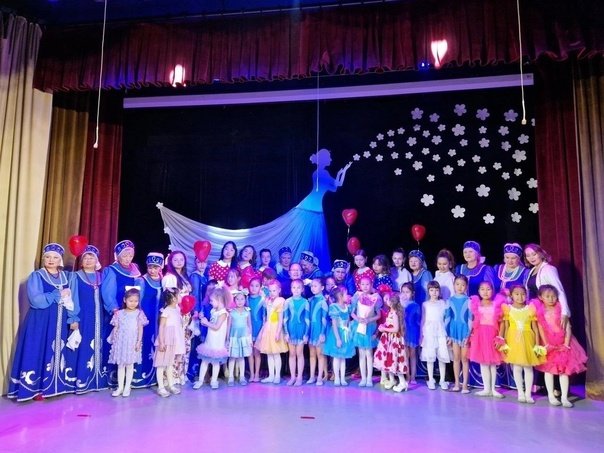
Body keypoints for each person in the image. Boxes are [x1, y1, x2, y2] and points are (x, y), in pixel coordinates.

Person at [8, 243, 78, 401]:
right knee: (38, 350)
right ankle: (34, 389)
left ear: (60, 260)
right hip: (40, 321)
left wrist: (73, 318)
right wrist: (57, 294)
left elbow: (72, 300)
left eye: (55, 257)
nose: (51, 260)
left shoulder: (66, 277)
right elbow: (36, 300)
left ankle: (54, 386)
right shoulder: (37, 276)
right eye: (47, 257)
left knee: (56, 351)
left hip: (59, 322)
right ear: (43, 259)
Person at [535, 285, 587, 408]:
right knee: (549, 370)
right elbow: (540, 328)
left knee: (564, 371)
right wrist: (546, 343)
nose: (551, 299)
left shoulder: (561, 309)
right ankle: (551, 396)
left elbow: (568, 327)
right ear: (541, 297)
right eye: (547, 296)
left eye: (553, 296)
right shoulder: (540, 311)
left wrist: (566, 344)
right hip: (549, 344)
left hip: (563, 343)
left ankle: (564, 397)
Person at [101, 240, 142, 385]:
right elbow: (108, 293)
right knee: (115, 342)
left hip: (132, 313)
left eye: (130, 255)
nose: (128, 258)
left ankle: (128, 379)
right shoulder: (111, 270)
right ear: (118, 256)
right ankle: (111, 378)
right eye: (124, 255)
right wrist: (114, 310)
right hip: (118, 313)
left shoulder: (135, 271)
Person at [70, 244, 109, 394]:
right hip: (84, 317)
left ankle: (98, 380)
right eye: (85, 258)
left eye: (91, 258)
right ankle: (82, 381)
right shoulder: (76, 276)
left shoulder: (102, 276)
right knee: (84, 346)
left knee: (100, 345)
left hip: (100, 317)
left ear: (96, 260)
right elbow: (73, 298)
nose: (88, 260)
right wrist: (74, 317)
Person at [501, 285, 544, 404]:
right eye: (517, 294)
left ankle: (528, 394)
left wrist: (537, 344)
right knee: (517, 367)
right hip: (513, 340)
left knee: (528, 367)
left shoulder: (530, 309)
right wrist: (504, 342)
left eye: (523, 294)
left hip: (528, 340)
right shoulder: (508, 309)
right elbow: (506, 327)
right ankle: (520, 392)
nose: (520, 297)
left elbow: (535, 328)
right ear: (511, 295)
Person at [108, 287, 149, 397]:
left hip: (132, 343)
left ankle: (127, 387)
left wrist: (138, 341)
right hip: (121, 342)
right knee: (121, 365)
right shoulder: (119, 313)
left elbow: (140, 328)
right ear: (125, 300)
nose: (133, 303)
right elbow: (116, 327)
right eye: (131, 301)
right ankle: (120, 387)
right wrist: (114, 339)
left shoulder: (139, 313)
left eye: (136, 301)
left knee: (130, 365)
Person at [468, 281, 505, 398]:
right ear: (478, 291)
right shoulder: (476, 304)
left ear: (492, 291)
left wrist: (500, 337)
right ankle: (486, 388)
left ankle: (493, 389)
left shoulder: (496, 304)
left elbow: (502, 322)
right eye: (482, 289)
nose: (485, 292)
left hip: (492, 335)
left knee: (492, 363)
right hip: (480, 336)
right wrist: (469, 335)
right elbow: (473, 321)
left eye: (488, 289)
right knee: (483, 363)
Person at [162, 250, 193, 385]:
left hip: (186, 314)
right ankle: (171, 376)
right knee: (175, 344)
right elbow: (169, 298)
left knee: (184, 344)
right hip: (176, 313)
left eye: (181, 259)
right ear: (171, 261)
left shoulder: (185, 276)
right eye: (175, 260)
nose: (179, 262)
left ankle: (181, 374)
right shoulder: (170, 277)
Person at [134, 252, 164, 388]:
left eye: (155, 267)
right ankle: (139, 378)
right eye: (150, 267)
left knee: (157, 344)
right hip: (146, 319)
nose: (152, 270)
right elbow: (136, 301)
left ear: (160, 268)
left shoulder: (163, 281)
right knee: (144, 344)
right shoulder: (141, 280)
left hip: (159, 319)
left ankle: (156, 377)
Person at [524, 243, 571, 321]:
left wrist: (565, 312)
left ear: (541, 254)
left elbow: (559, 290)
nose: (531, 258)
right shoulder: (531, 271)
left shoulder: (549, 269)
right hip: (535, 311)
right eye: (528, 255)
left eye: (534, 254)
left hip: (548, 311)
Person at [194, 287, 230, 390]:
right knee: (205, 361)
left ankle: (214, 380)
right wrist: (204, 320)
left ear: (219, 300)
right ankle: (200, 380)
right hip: (210, 340)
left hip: (217, 341)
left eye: (212, 300)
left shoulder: (223, 313)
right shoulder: (213, 310)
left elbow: (216, 326)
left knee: (215, 362)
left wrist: (207, 323)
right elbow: (211, 323)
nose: (210, 302)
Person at [254, 279, 288, 384]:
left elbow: (280, 319)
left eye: (274, 291)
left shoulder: (280, 301)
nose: (272, 293)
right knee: (269, 353)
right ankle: (271, 375)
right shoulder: (267, 300)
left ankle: (277, 376)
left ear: (279, 290)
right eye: (270, 290)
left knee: (276, 353)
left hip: (275, 328)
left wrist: (278, 332)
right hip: (268, 328)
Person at [154, 288, 186, 397]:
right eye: (179, 295)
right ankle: (161, 387)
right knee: (161, 364)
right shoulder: (166, 311)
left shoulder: (176, 309)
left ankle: (171, 385)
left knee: (169, 363)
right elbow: (162, 326)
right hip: (166, 339)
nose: (181, 297)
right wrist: (161, 342)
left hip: (173, 340)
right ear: (173, 298)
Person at [351, 276, 382, 387]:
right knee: (361, 353)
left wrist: (369, 319)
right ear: (359, 285)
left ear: (371, 285)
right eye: (362, 284)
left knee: (369, 353)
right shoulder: (357, 296)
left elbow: (378, 315)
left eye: (367, 284)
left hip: (370, 327)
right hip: (359, 326)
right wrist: (358, 319)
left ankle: (369, 378)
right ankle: (363, 378)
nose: (365, 286)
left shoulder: (375, 297)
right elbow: (352, 312)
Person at [374, 293, 408, 392]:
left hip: (394, 340)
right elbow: (389, 323)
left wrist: (384, 329)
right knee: (389, 360)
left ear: (393, 302)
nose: (387, 301)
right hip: (388, 340)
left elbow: (396, 329)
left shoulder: (396, 313)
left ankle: (403, 383)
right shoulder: (390, 312)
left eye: (388, 300)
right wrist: (383, 326)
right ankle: (392, 380)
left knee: (396, 360)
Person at [420, 281, 450, 390]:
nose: (434, 292)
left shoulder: (443, 303)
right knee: (430, 356)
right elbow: (423, 319)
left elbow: (446, 319)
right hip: (429, 332)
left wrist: (447, 334)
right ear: (428, 291)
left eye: (436, 290)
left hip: (441, 331)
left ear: (439, 291)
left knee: (442, 356)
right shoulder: (425, 304)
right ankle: (431, 379)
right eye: (432, 290)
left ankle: (442, 380)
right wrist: (421, 335)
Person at [324, 286, 355, 386]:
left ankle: (342, 378)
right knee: (337, 357)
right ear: (340, 296)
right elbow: (334, 324)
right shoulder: (334, 307)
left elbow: (349, 320)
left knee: (343, 358)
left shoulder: (347, 307)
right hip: (337, 334)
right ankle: (337, 377)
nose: (348, 296)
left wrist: (349, 330)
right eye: (346, 294)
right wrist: (338, 339)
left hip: (346, 334)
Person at [445, 275, 471, 393]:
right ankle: (456, 383)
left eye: (463, 285)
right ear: (454, 285)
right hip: (454, 331)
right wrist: (448, 334)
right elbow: (447, 317)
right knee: (456, 358)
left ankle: (464, 384)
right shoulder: (450, 300)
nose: (460, 287)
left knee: (464, 358)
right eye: (457, 284)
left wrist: (468, 334)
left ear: (466, 287)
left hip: (465, 331)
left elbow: (470, 318)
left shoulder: (469, 300)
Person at [283, 279, 310, 386]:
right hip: (290, 330)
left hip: (301, 330)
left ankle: (299, 377)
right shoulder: (287, 301)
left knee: (299, 354)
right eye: (294, 287)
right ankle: (293, 377)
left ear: (302, 289)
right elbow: (285, 318)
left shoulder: (305, 302)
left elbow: (307, 319)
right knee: (292, 354)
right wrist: (286, 333)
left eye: (298, 287)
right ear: (291, 289)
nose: (296, 290)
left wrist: (306, 334)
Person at [227, 291, 253, 386]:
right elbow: (229, 326)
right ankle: (230, 377)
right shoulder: (232, 312)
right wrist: (227, 339)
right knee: (232, 357)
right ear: (234, 300)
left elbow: (249, 325)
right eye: (237, 299)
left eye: (242, 299)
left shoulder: (247, 311)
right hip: (234, 337)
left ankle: (242, 376)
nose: (240, 301)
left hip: (243, 337)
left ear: (245, 300)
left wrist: (250, 338)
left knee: (241, 357)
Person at [307, 278, 328, 385]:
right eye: (312, 286)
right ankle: (312, 376)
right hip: (311, 330)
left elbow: (324, 318)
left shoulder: (323, 301)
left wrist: (322, 333)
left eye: (315, 286)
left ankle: (320, 376)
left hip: (319, 330)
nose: (313, 288)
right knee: (312, 354)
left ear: (322, 287)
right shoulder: (310, 300)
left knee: (320, 354)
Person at [400, 282, 420, 384]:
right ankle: (407, 376)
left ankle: (413, 377)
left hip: (413, 332)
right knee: (405, 354)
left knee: (412, 354)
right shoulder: (400, 305)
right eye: (403, 292)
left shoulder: (416, 305)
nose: (405, 294)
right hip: (403, 331)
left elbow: (418, 321)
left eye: (407, 292)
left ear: (412, 293)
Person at [247, 277, 266, 382]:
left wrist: (263, 330)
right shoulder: (246, 299)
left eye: (256, 286)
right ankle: (252, 374)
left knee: (257, 353)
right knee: (250, 353)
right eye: (252, 286)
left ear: (260, 288)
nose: (254, 288)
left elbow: (264, 317)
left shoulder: (263, 300)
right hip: (249, 328)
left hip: (259, 328)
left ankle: (257, 374)